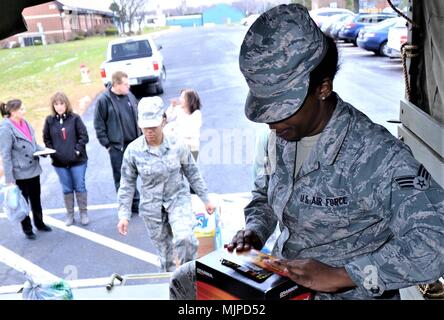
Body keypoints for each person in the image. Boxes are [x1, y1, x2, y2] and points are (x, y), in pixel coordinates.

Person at [169, 4, 444, 300]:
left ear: (322, 88)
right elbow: (265, 194)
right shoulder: (285, 135)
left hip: (346, 294)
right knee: (187, 281)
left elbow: (436, 240)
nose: (272, 122)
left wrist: (344, 276)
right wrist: (255, 231)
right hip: (282, 283)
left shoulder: (375, 155)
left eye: (283, 109)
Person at [116, 96, 215, 272]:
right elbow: (127, 183)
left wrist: (206, 199)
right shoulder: (133, 151)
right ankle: (170, 285)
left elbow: (192, 172)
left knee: (186, 240)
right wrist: (124, 215)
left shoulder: (178, 145)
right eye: (145, 128)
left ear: (163, 121)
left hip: (178, 199)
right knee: (165, 255)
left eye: (153, 127)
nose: (149, 132)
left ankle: (187, 278)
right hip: (152, 207)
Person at [0, 99, 52, 240]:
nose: (24, 111)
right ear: (13, 112)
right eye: (21, 109)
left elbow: (33, 144)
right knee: (23, 203)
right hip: (20, 173)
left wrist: (46, 150)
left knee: (36, 200)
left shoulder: (26, 123)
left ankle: (40, 223)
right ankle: (27, 229)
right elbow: (5, 155)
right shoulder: (5, 128)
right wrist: (10, 179)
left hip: (33, 169)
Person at [93, 71, 141, 215]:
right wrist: (107, 145)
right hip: (117, 147)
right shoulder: (104, 100)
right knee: (121, 178)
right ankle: (126, 207)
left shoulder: (129, 96)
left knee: (135, 174)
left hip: (134, 144)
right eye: (126, 84)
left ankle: (136, 204)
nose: (129, 86)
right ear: (116, 84)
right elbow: (99, 124)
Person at [43, 92, 89, 226]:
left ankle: (83, 213)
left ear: (66, 104)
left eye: (61, 103)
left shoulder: (75, 119)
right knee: (67, 188)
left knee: (79, 186)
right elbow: (46, 138)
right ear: (53, 106)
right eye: (56, 104)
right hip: (59, 163)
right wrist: (53, 152)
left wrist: (77, 150)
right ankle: (70, 215)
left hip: (77, 161)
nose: (59, 107)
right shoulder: (49, 121)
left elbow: (84, 136)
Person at [164, 89, 202, 161]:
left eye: (182, 97)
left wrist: (174, 129)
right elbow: (167, 118)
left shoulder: (196, 114)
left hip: (191, 146)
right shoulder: (179, 109)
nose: (179, 99)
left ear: (189, 100)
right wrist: (172, 106)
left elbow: (189, 132)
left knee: (190, 168)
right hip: (178, 146)